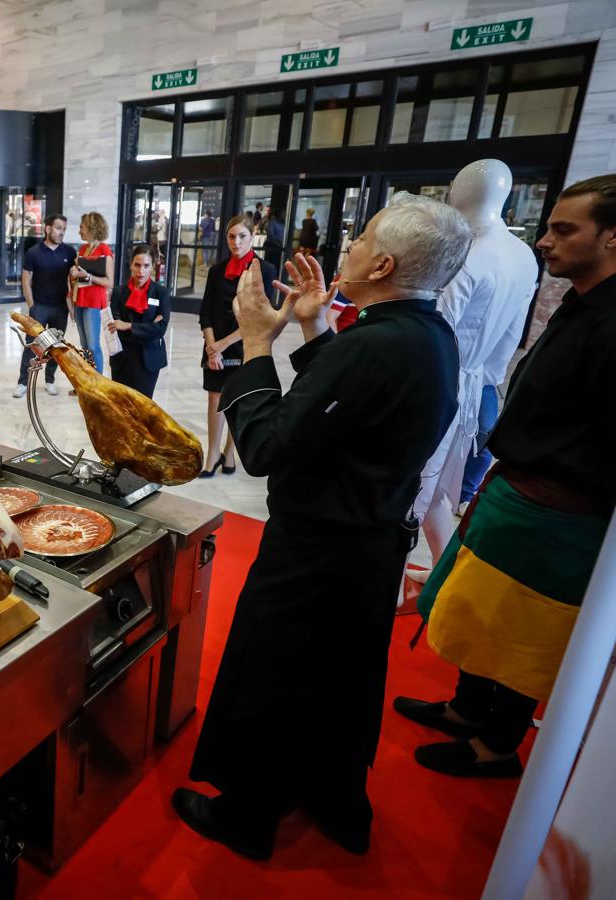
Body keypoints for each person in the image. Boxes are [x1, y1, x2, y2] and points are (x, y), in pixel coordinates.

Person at [173, 193, 470, 861]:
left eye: (361, 239)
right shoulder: (428, 333)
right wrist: (316, 329)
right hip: (369, 543)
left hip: (318, 548)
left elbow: (271, 443)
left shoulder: (376, 347)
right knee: (339, 683)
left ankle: (247, 816)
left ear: (385, 262)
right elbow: (351, 408)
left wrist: (256, 342)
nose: (350, 247)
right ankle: (334, 799)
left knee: (274, 674)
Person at [398, 175, 616, 779]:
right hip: (516, 486)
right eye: (548, 227)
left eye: (565, 230)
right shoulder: (576, 298)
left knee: (521, 631)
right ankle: (468, 710)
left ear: (613, 237)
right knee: (480, 615)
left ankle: (496, 745)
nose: (546, 241)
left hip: (557, 510)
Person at [406, 160, 540, 596]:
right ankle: (444, 575)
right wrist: (488, 382)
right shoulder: (522, 255)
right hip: (479, 382)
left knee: (418, 490)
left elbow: (434, 325)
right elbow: (512, 335)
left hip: (445, 382)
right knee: (441, 491)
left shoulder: (466, 253)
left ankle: (392, 584)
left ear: (458, 193)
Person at [197, 215, 277, 477]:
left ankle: (230, 451)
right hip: (214, 345)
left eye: (242, 236)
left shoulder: (265, 270)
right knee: (214, 397)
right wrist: (212, 346)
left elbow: (260, 317)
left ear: (252, 236)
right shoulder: (217, 270)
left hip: (246, 345)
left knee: (237, 401)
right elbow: (205, 311)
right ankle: (212, 453)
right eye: (231, 236)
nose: (236, 241)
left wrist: (223, 344)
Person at [13, 213, 77, 398]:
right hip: (39, 306)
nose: (61, 232)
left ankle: (50, 380)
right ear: (48, 228)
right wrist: (32, 305)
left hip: (60, 308)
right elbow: (26, 280)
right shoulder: (34, 252)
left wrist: (72, 306)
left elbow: (74, 280)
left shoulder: (69, 252)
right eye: (58, 228)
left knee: (56, 347)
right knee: (32, 346)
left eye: (63, 229)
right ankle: (22, 383)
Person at [106, 244, 169, 397]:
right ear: (131, 265)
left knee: (143, 407)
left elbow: (161, 328)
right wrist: (149, 327)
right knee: (121, 407)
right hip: (123, 359)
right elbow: (115, 326)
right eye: (137, 265)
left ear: (152, 267)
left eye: (146, 266)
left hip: (149, 359)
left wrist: (128, 326)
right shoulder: (119, 292)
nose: (141, 271)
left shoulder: (161, 293)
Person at [70, 212, 114, 377]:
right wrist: (74, 271)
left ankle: (97, 385)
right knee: (84, 344)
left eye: (82, 227)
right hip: (80, 299)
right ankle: (88, 381)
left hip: (94, 302)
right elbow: (79, 273)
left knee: (93, 345)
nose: (79, 231)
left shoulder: (104, 250)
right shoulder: (83, 249)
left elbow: (109, 282)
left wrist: (87, 276)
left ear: (91, 228)